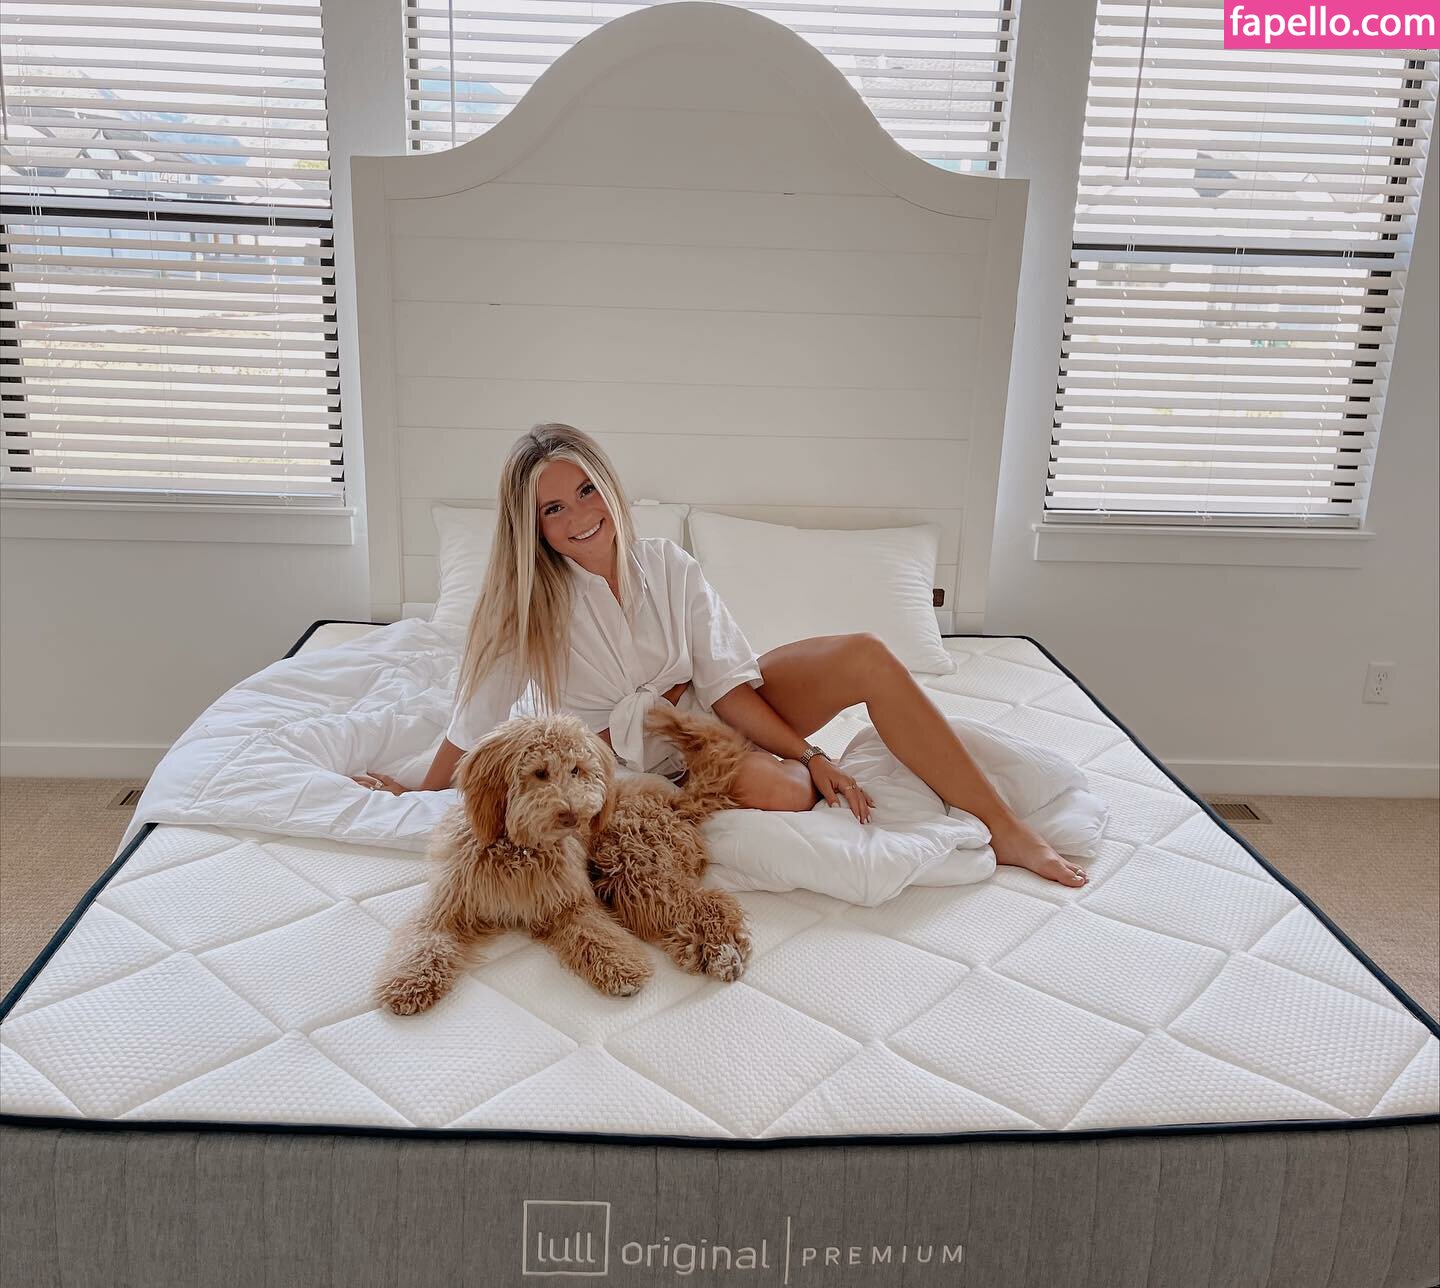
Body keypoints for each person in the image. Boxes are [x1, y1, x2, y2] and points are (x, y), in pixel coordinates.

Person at [354, 423, 1087, 887]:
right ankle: (777, 771)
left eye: (586, 490)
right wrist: (419, 793)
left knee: (865, 654)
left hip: (712, 714)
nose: (580, 516)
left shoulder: (669, 565)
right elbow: (476, 720)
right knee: (787, 794)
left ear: (608, 486)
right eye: (553, 508)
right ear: (533, 526)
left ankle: (1006, 829)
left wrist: (814, 751)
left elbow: (730, 688)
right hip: (636, 762)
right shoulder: (527, 609)